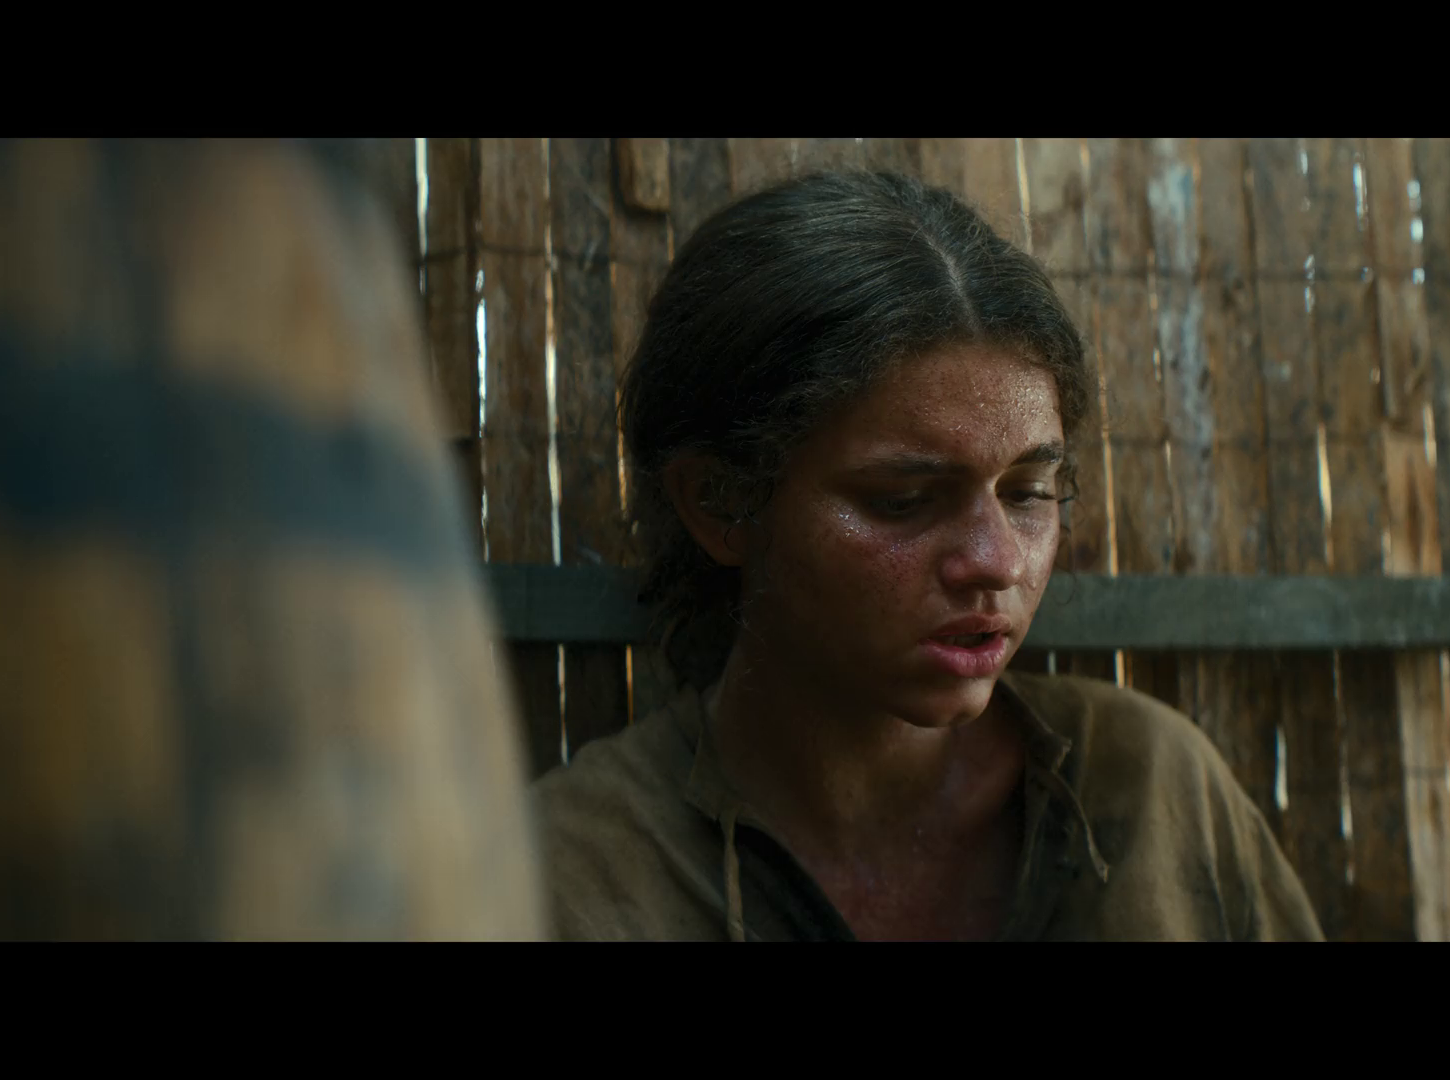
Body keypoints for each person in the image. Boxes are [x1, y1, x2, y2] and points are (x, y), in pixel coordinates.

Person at [530, 170, 1323, 941]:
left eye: (1028, 492)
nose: (997, 561)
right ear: (719, 503)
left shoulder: (1155, 794)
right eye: (902, 500)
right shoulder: (565, 878)